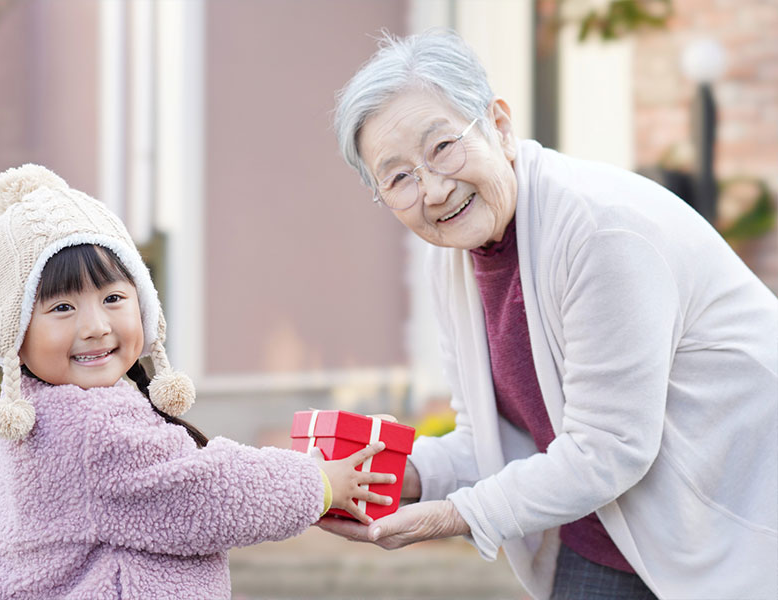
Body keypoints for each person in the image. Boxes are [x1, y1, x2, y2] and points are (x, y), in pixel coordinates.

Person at [318, 30, 778, 600]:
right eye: (398, 177)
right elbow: (490, 439)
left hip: (730, 528)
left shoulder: (599, 232)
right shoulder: (454, 258)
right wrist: (377, 473)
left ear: (499, 126)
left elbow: (608, 448)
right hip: (609, 531)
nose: (433, 190)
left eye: (442, 147)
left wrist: (454, 515)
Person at [0, 164, 397, 599]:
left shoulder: (54, 411)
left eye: (113, 298)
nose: (96, 326)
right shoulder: (90, 430)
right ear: (15, 335)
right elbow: (207, 492)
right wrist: (319, 483)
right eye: (62, 307)